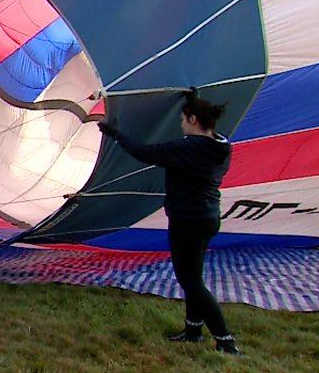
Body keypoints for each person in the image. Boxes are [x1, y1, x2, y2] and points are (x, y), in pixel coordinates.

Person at [98, 92, 240, 355]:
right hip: (209, 218)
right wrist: (193, 99)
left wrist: (115, 134)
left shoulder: (187, 149)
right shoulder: (222, 146)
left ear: (193, 119)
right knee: (193, 278)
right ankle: (193, 329)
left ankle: (225, 339)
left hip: (187, 220)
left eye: (183, 119)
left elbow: (144, 152)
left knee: (191, 282)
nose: (181, 125)